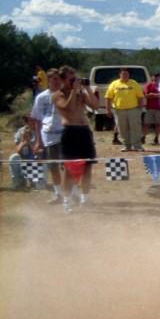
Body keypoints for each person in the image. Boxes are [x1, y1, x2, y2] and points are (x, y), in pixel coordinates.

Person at [52, 65, 99, 212]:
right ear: (63, 80)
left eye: (75, 78)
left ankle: (85, 198)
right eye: (71, 79)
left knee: (87, 166)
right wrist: (73, 91)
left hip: (84, 131)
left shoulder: (80, 94)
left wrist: (88, 89)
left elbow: (95, 106)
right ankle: (67, 200)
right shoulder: (57, 95)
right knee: (69, 168)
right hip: (70, 132)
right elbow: (68, 108)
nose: (74, 81)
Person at [31, 68, 65, 203]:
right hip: (49, 136)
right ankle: (58, 194)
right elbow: (37, 120)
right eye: (54, 79)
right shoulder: (41, 97)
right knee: (53, 166)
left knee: (69, 165)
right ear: (49, 80)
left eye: (59, 79)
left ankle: (74, 192)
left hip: (66, 134)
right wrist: (38, 140)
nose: (57, 82)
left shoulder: (66, 94)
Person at [105, 67, 146, 152]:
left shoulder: (134, 83)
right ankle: (126, 146)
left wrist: (140, 108)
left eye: (127, 74)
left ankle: (137, 146)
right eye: (123, 74)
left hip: (133, 110)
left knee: (135, 128)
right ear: (119, 75)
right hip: (119, 110)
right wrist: (108, 109)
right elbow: (108, 97)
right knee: (122, 128)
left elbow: (140, 96)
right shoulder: (114, 84)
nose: (125, 75)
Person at [8, 116, 38, 190]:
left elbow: (36, 150)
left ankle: (34, 181)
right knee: (13, 158)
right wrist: (23, 141)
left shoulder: (38, 131)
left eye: (33, 121)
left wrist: (29, 142)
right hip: (22, 155)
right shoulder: (20, 131)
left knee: (35, 157)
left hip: (34, 156)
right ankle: (18, 181)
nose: (32, 123)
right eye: (29, 121)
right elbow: (17, 150)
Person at [143, 73, 160, 145]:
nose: (156, 78)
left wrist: (153, 95)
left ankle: (156, 138)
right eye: (155, 77)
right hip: (150, 108)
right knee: (146, 124)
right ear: (152, 77)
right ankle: (143, 137)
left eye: (158, 77)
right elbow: (146, 95)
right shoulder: (148, 85)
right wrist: (156, 95)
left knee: (158, 124)